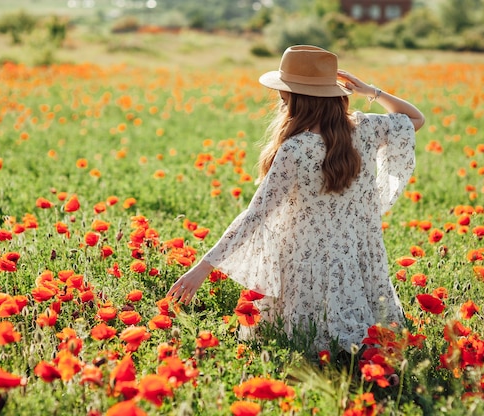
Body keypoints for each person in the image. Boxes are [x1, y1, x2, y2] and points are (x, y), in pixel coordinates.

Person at [167, 45, 425, 353]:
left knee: (306, 341)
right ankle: (366, 358)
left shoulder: (296, 148)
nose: (280, 99)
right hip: (357, 252)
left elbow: (256, 215)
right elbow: (414, 118)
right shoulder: (366, 127)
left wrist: (203, 267)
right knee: (361, 329)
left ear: (295, 98)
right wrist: (371, 91)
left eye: (283, 92)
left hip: (306, 262)